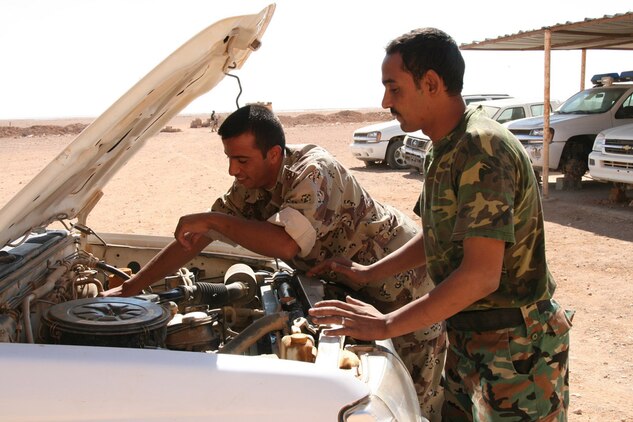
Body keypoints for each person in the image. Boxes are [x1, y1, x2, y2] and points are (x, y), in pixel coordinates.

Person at [102, 104, 446, 420]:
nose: (232, 169)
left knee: (411, 398)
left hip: (404, 283)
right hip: (355, 287)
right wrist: (128, 289)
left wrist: (214, 220)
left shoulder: (314, 170)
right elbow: (192, 240)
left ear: (274, 154)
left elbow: (283, 243)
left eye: (242, 160)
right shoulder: (250, 187)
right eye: (229, 158)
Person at [308, 28, 574, 421]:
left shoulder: (482, 148)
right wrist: (368, 274)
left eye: (394, 88)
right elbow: (438, 237)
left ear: (430, 83)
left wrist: (385, 325)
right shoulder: (444, 147)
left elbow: (481, 275)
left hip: (516, 348)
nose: (385, 102)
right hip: (470, 337)